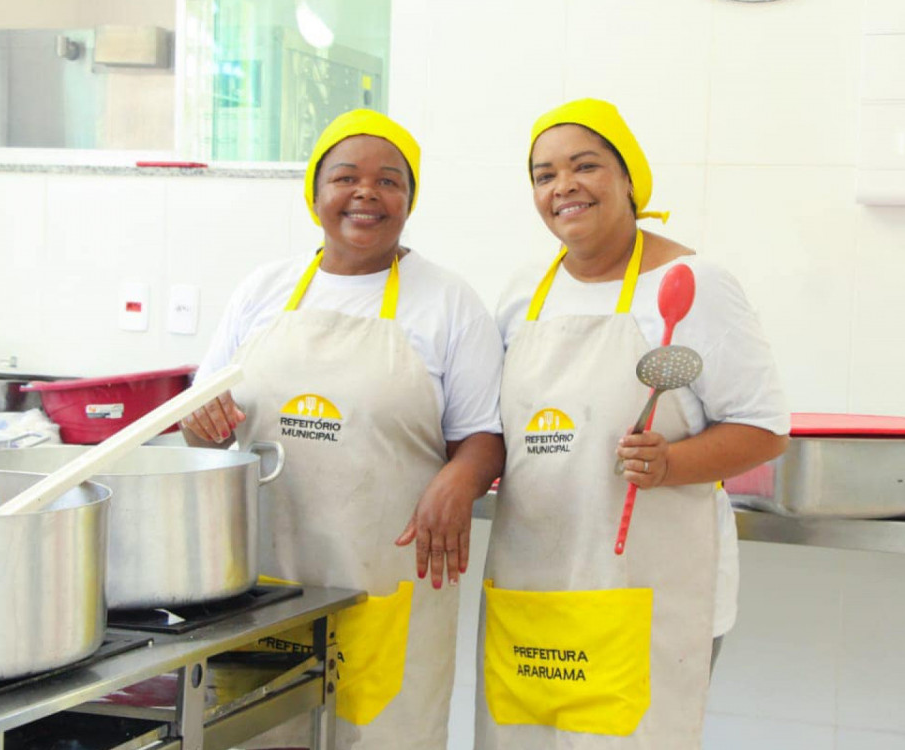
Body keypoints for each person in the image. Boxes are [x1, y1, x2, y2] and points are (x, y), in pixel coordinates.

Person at [181, 109, 505, 750]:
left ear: (409, 200)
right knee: (256, 735)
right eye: (345, 177)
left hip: (384, 575)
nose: (366, 193)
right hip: (265, 575)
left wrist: (460, 483)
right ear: (316, 192)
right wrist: (201, 418)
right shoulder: (264, 290)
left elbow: (483, 439)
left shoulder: (445, 300)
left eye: (390, 180)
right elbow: (202, 430)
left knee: (382, 734)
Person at [475, 98, 789, 749]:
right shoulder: (522, 293)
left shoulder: (693, 283)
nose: (563, 187)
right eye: (544, 174)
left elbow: (763, 427)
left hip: (644, 586)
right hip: (535, 582)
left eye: (584, 165)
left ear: (628, 179)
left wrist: (672, 463)